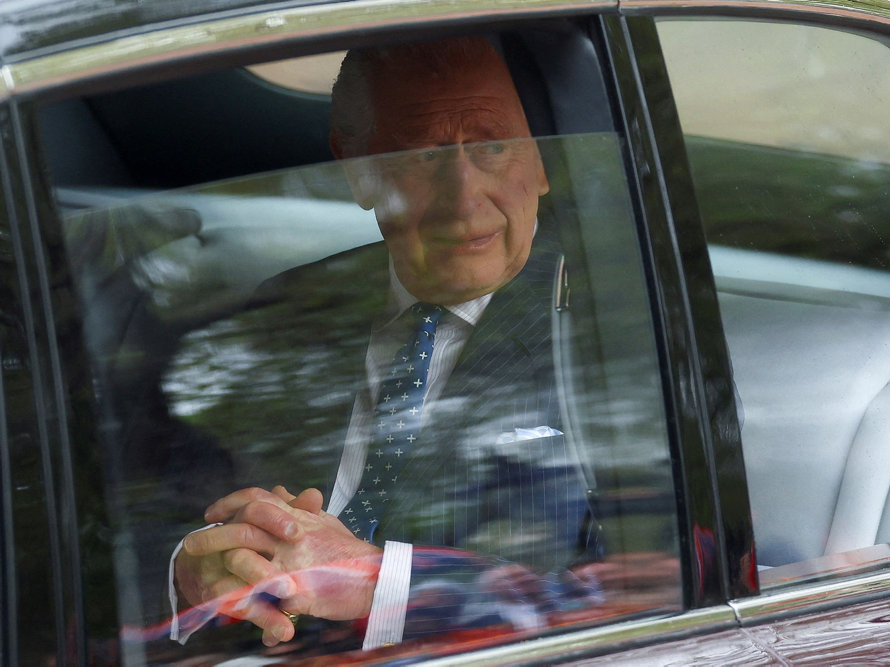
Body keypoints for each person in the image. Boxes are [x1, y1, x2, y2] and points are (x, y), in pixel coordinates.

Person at [170, 36, 603, 651]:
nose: (463, 196)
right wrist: (191, 566)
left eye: (493, 144)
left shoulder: (613, 330)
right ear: (358, 168)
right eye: (422, 153)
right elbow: (149, 506)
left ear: (542, 163)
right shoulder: (286, 308)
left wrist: (378, 584)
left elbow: (628, 594)